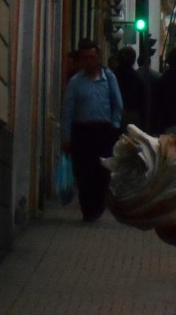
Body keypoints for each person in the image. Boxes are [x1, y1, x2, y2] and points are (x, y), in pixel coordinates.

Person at [61, 37, 123, 222]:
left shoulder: (109, 78)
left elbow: (117, 103)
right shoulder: (75, 82)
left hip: (104, 131)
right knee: (83, 172)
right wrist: (66, 137)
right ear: (80, 60)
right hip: (82, 131)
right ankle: (88, 210)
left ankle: (99, 204)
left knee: (102, 172)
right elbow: (68, 110)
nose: (88, 61)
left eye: (91, 57)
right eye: (84, 58)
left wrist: (114, 125)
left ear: (98, 57)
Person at [113, 45, 145, 131]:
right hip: (132, 116)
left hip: (114, 115)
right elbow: (142, 100)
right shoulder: (137, 78)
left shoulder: (112, 76)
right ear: (134, 60)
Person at [136, 52, 160, 132]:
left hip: (137, 114)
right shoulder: (158, 76)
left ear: (138, 63)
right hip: (154, 113)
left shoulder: (134, 75)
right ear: (150, 63)